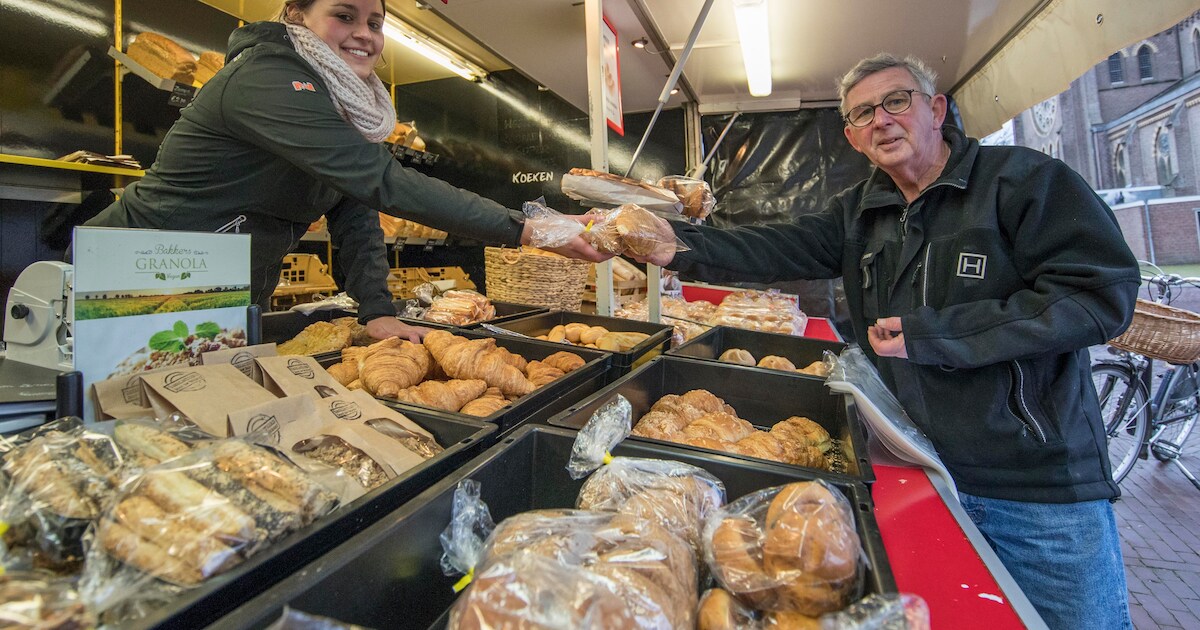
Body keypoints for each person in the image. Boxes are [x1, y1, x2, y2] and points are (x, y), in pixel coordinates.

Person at [632, 54, 1138, 629]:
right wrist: (674, 244)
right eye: (864, 113)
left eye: (897, 101)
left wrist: (935, 333)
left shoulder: (1023, 183)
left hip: (1032, 487)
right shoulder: (862, 212)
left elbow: (1099, 297)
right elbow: (775, 246)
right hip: (914, 468)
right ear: (851, 136)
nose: (882, 120)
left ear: (936, 109)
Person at [86, 0, 604, 342]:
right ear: (295, 15)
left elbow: (357, 210)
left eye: (375, 23)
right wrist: (527, 228)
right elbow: (384, 181)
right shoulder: (266, 78)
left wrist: (376, 310)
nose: (364, 34)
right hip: (140, 278)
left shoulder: (343, 105)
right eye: (344, 16)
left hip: (225, 291)